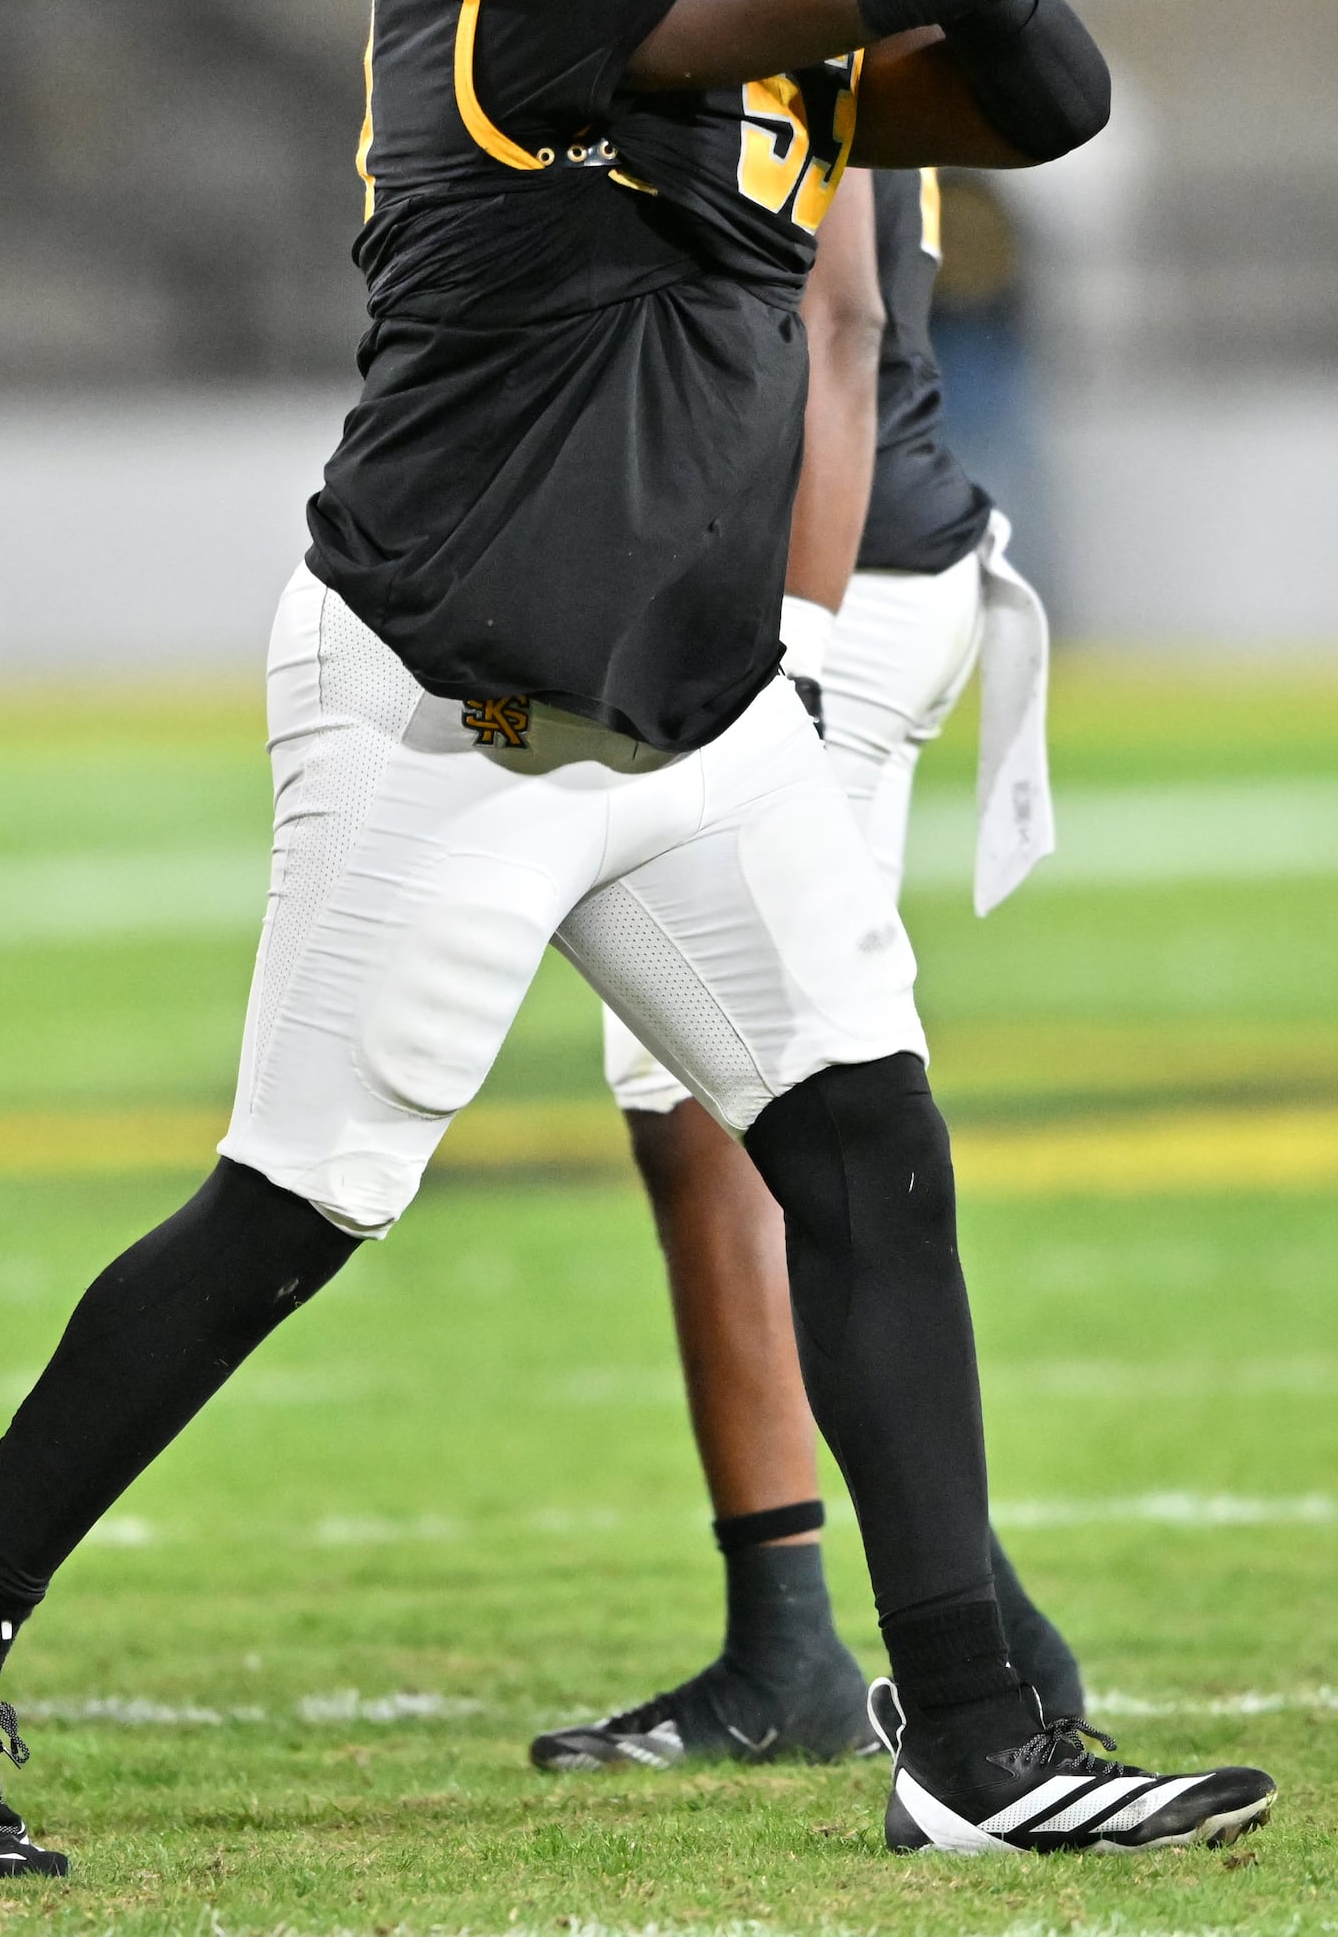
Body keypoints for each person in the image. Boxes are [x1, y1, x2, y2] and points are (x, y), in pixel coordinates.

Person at [0, 0, 1338, 1876]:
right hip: (455, 705)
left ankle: (970, 1736)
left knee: (864, 1148)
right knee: (288, 1212)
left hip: (686, 712)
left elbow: (1039, 97)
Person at [536, 162, 1083, 1771]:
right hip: (807, 563)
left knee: (776, 1103)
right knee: (726, 1108)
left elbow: (827, 321)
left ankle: (876, 1639)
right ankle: (889, 1625)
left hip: (820, 573)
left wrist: (801, 652)